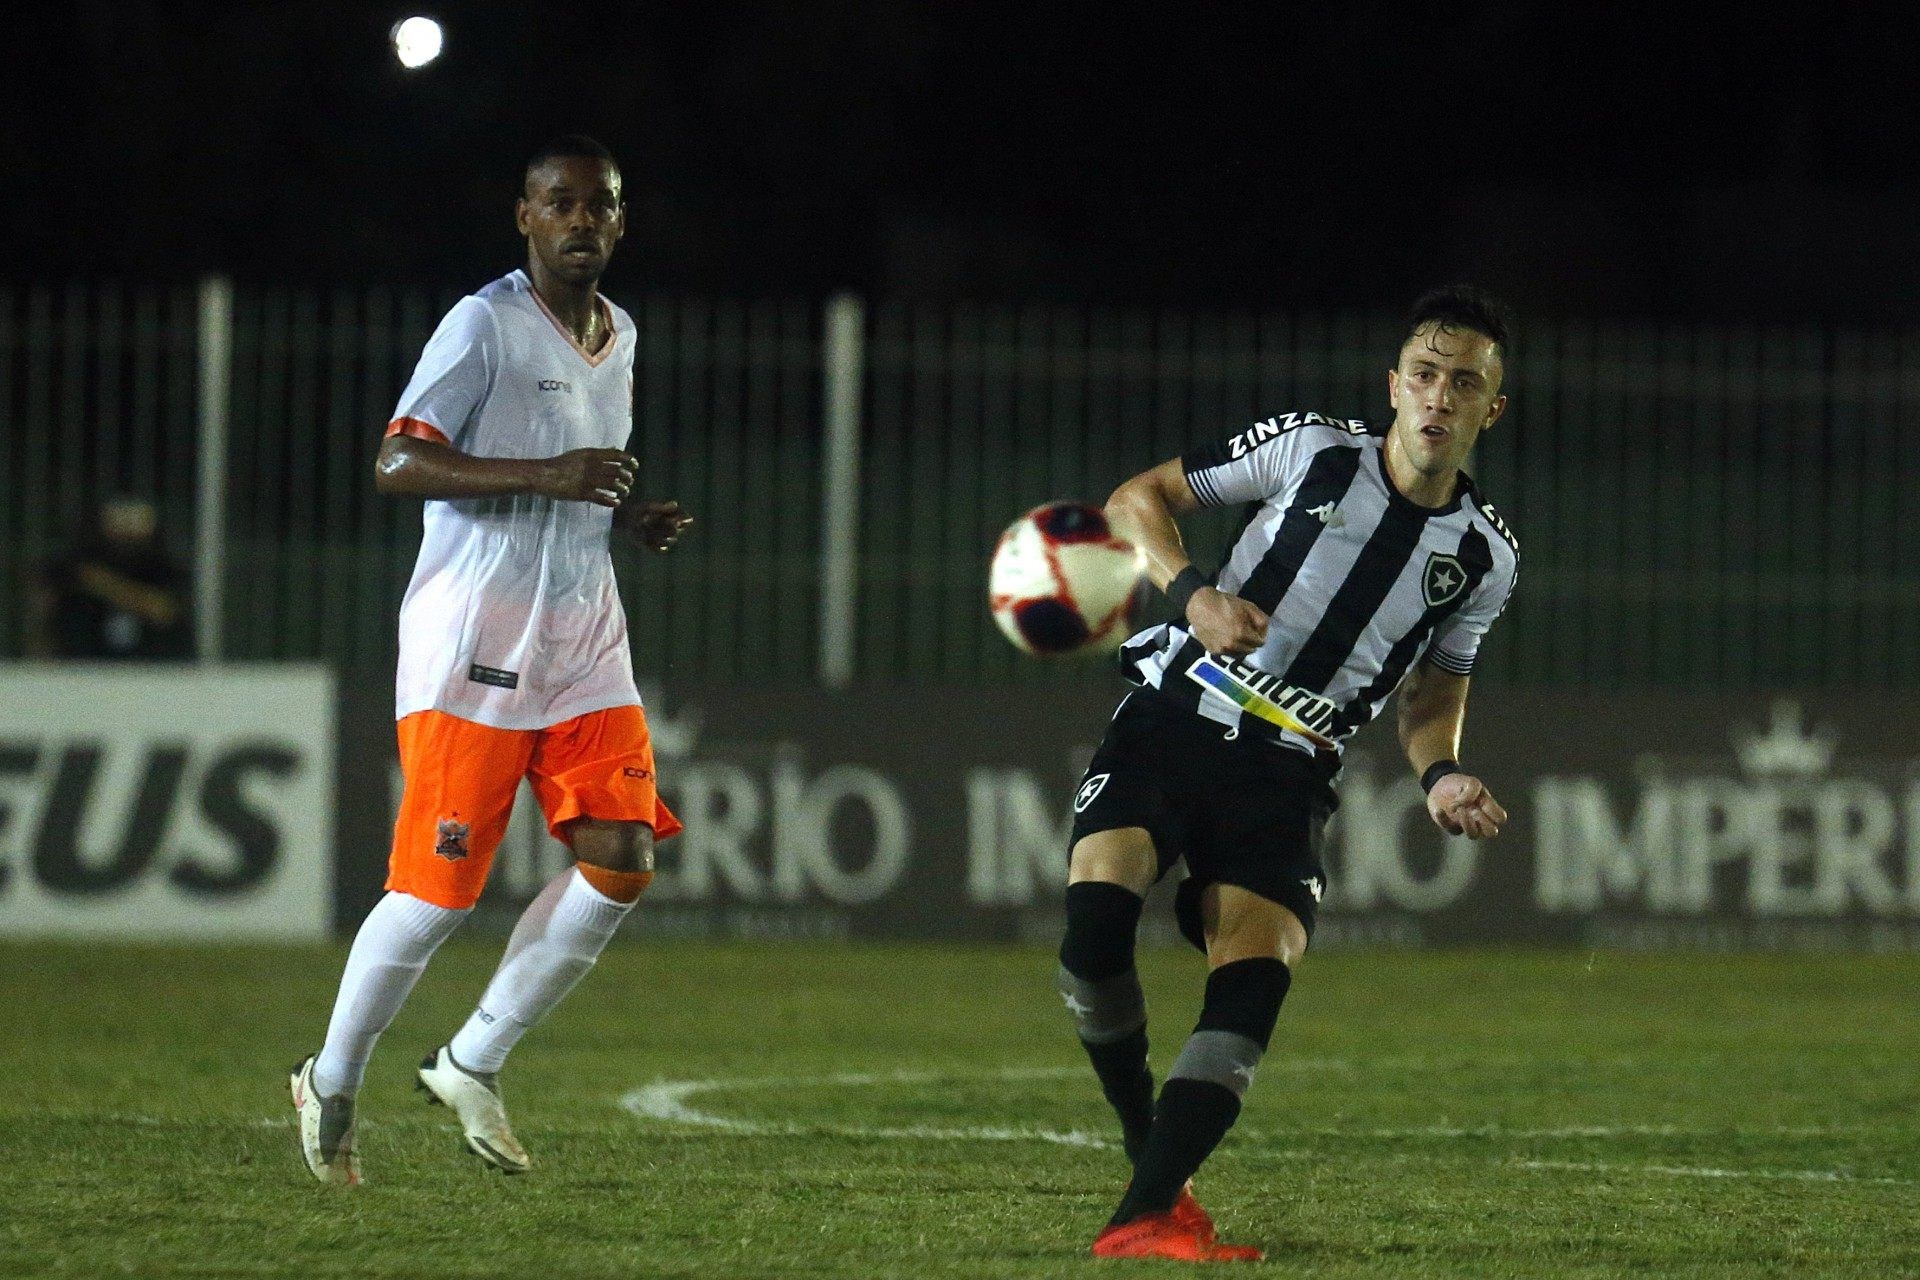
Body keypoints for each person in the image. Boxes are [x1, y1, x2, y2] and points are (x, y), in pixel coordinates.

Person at [1059, 286, 1521, 1260]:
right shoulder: (1310, 449)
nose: (1440, 397)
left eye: (1464, 384)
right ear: (1394, 386)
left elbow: (1434, 693)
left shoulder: (1485, 557)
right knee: (1095, 926)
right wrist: (1195, 596)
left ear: (1491, 409)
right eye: (1425, 375)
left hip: (1289, 771)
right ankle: (1149, 1147)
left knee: (1257, 978)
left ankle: (1144, 1214)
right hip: (1178, 714)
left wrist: (1442, 774)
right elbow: (1135, 500)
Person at [290, 135, 694, 1186]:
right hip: (474, 642)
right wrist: (548, 473)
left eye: (600, 204)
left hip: (584, 639)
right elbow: (397, 460)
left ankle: (471, 1059)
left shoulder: (622, 334)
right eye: (560, 202)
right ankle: (332, 1075)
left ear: (621, 220)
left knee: (623, 857)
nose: (581, 220)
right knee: (437, 897)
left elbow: (578, 483)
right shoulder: (483, 323)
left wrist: (624, 515)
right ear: (525, 216)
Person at [33, 494, 193, 660]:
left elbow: (162, 610)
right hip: (84, 660)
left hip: (151, 663)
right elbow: (50, 606)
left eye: (134, 518)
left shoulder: (162, 567)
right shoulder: (78, 561)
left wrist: (104, 584)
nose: (127, 527)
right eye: (120, 517)